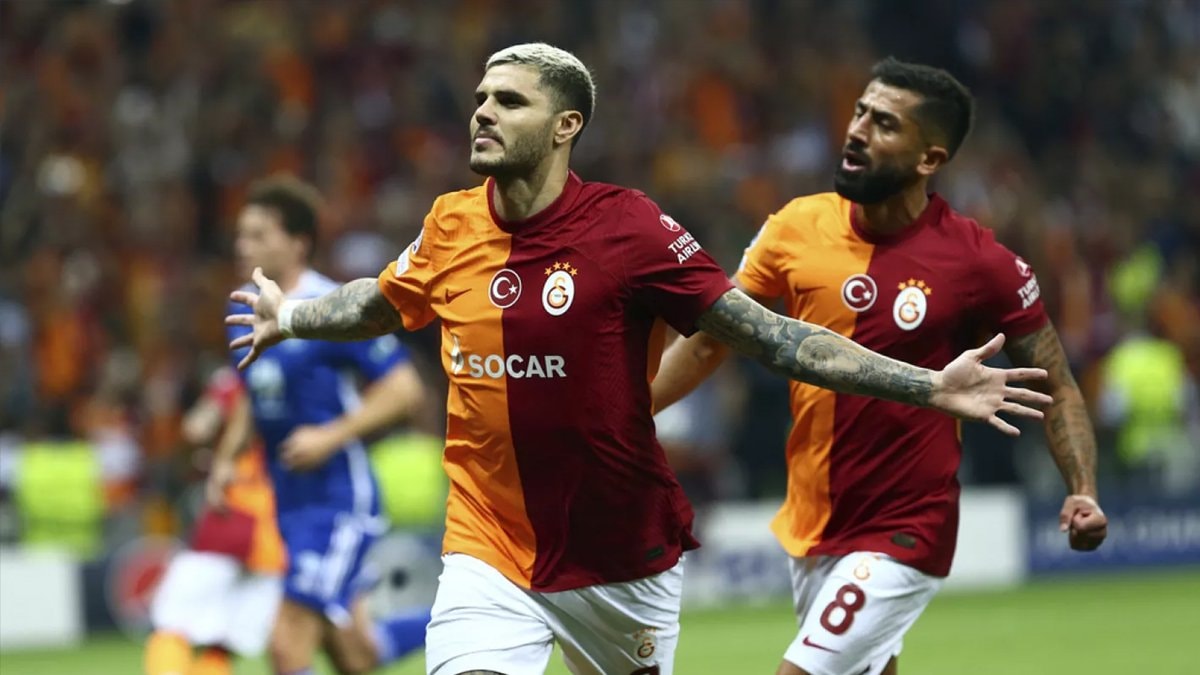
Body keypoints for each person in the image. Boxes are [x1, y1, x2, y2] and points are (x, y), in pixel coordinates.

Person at [226, 44, 1052, 675]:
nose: (483, 112)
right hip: (488, 542)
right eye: (480, 98)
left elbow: (773, 336)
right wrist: (291, 315)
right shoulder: (450, 224)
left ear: (565, 126)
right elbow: (376, 302)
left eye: (509, 101)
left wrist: (927, 383)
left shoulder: (630, 230)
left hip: (619, 557)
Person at [651, 57, 1109, 675]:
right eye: (861, 112)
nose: (858, 130)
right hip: (815, 518)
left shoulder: (980, 264)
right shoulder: (794, 227)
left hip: (906, 526)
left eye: (885, 124)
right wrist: (629, 414)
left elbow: (1059, 385)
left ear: (929, 158)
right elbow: (710, 341)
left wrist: (1083, 489)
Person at [219, 175, 431, 675]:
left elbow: (405, 389)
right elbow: (254, 392)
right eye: (241, 234)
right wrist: (227, 459)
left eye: (258, 235)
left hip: (338, 501)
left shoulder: (330, 307)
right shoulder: (244, 305)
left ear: (298, 242)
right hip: (289, 501)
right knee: (357, 655)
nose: (243, 246)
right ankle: (457, 618)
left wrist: (330, 436)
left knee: (287, 644)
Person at [145, 366, 286, 675]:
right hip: (277, 533)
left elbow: (197, 427)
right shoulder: (308, 376)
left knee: (172, 621)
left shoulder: (243, 376)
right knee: (226, 638)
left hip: (233, 516)